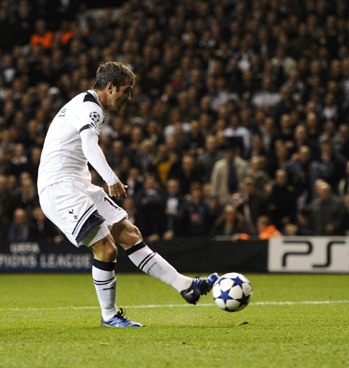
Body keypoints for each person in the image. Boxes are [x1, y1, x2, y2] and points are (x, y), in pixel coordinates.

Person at [37, 62, 218, 328]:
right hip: (60, 187)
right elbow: (89, 144)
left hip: (79, 184)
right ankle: (109, 316)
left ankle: (187, 286)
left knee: (130, 234)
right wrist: (111, 179)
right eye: (126, 90)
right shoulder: (90, 107)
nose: (129, 97)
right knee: (106, 248)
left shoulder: (87, 105)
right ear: (109, 87)